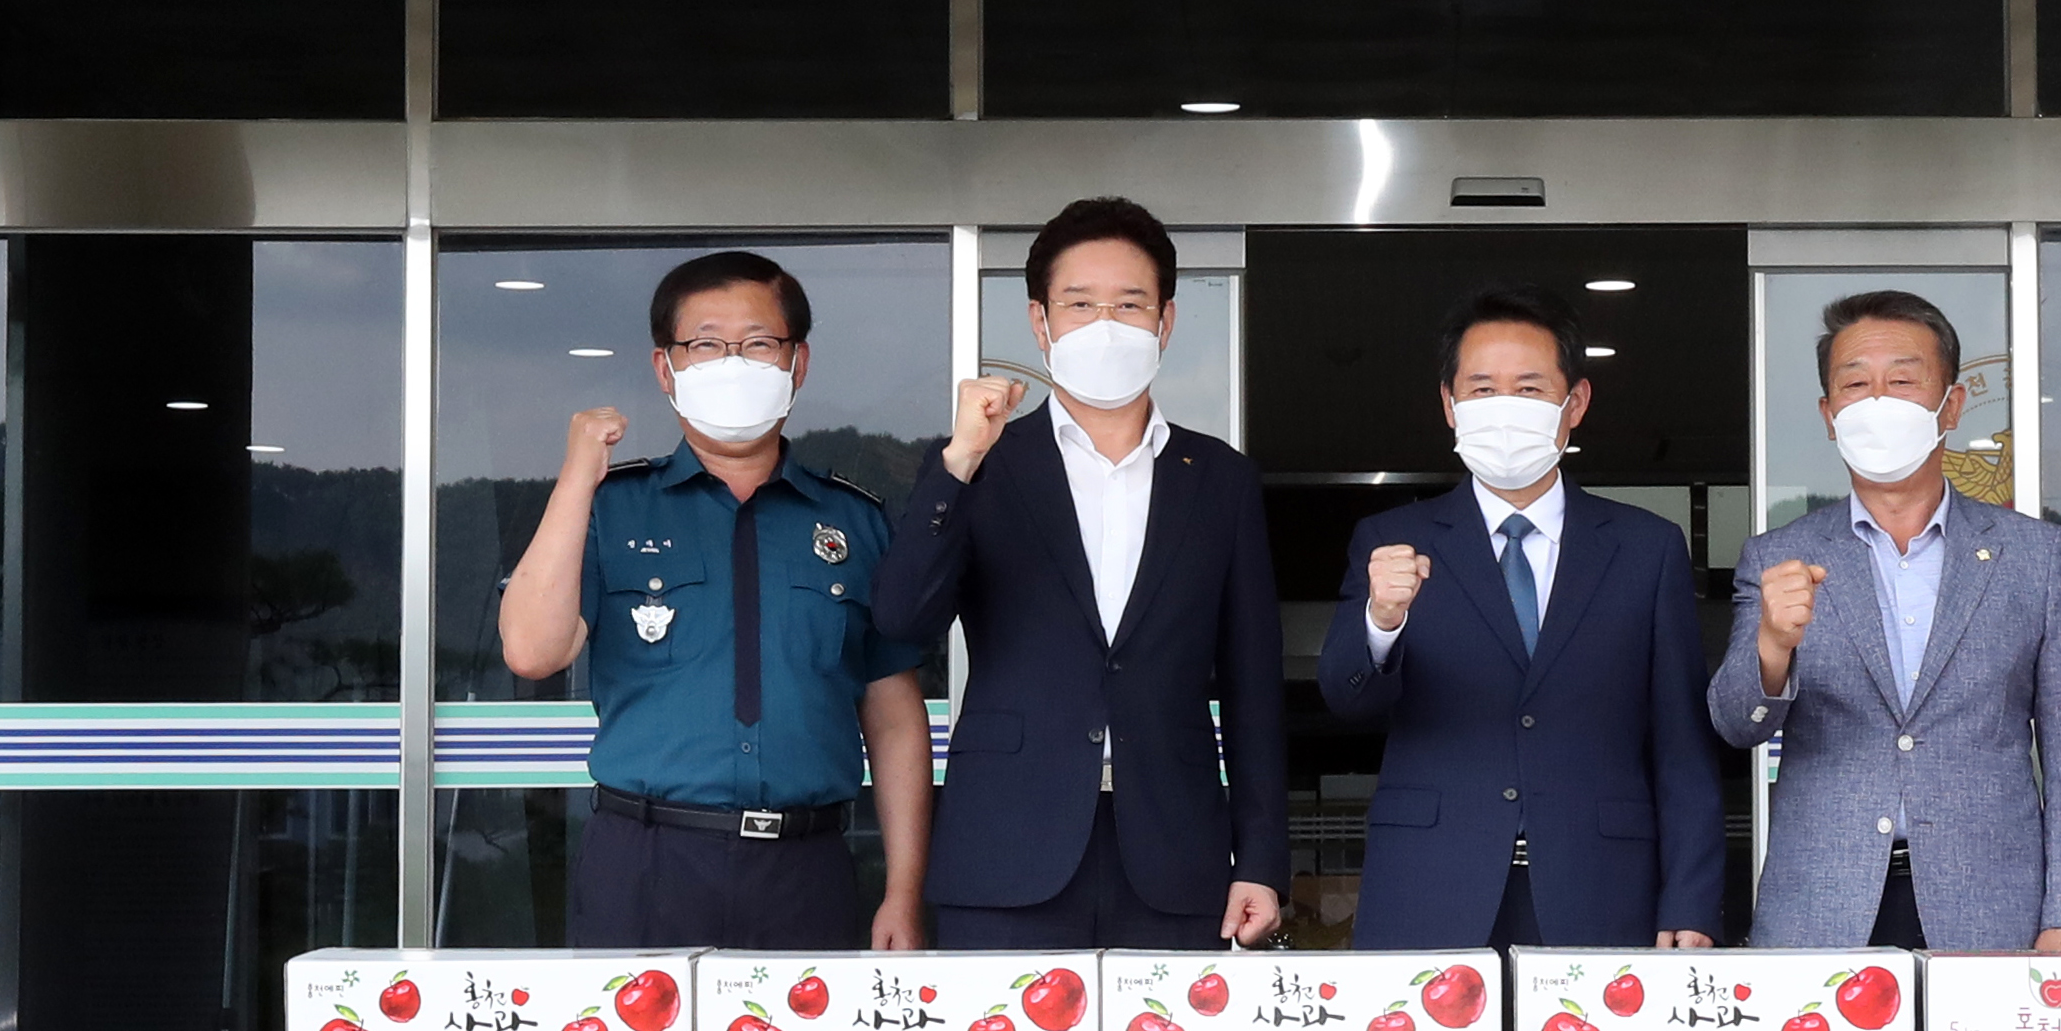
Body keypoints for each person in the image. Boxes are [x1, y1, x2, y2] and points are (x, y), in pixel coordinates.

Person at [872, 196, 1287, 948]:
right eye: (1080, 303)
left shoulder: (1220, 479)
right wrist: (958, 465)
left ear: (1165, 321)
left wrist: (1260, 858)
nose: (1105, 324)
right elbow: (901, 621)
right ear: (1040, 322)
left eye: (1129, 304)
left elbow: (1253, 682)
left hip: (1174, 851)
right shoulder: (982, 463)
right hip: (1005, 847)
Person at [497, 248, 935, 950]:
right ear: (664, 367)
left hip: (807, 867)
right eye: (704, 345)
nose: (733, 363)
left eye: (759, 343)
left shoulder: (853, 521)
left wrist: (904, 889)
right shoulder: (610, 506)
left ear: (798, 362)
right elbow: (531, 652)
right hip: (645, 861)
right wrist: (577, 477)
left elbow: (893, 719)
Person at [1316, 287, 1724, 950]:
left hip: (1601, 888)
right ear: (1449, 404)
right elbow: (1346, 698)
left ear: (1575, 403)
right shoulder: (1391, 539)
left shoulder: (1646, 548)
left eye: (1529, 389)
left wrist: (1692, 899)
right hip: (1429, 884)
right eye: (1481, 389)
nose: (1503, 406)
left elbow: (1680, 742)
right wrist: (1381, 618)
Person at [1708, 289, 2061, 952]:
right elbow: (1734, 723)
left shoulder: (2034, 555)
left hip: (1991, 907)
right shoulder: (1778, 555)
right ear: (1829, 414)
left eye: (1901, 381)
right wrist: (1772, 645)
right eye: (1854, 384)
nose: (1877, 402)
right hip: (1821, 907)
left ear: (1950, 405)